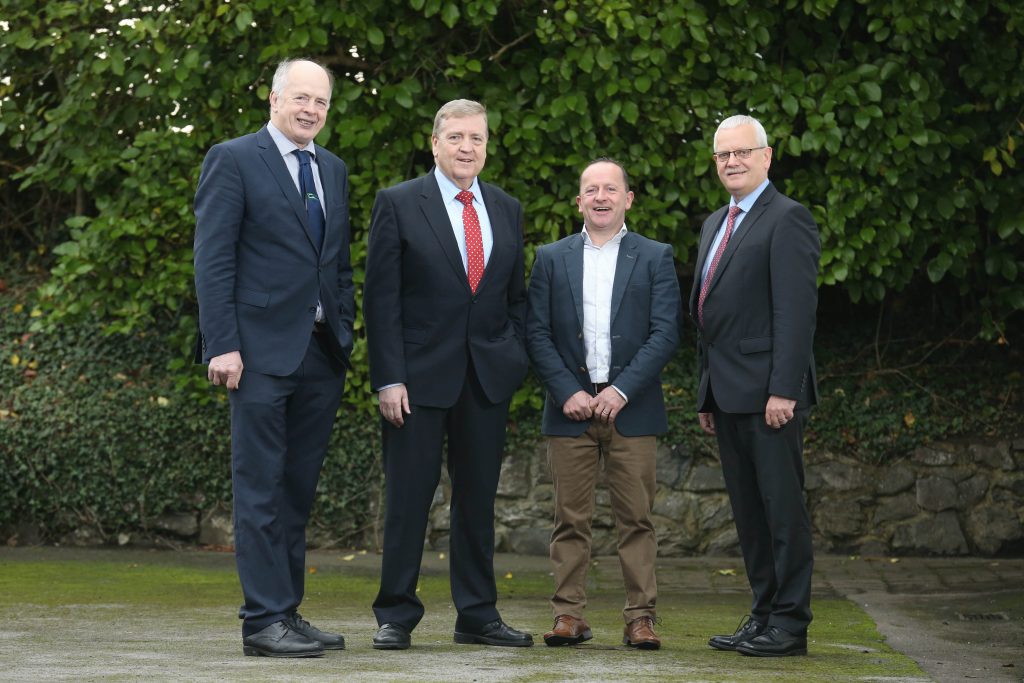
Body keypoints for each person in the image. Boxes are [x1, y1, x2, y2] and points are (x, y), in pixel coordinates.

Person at [193, 58, 354, 658]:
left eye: (321, 102)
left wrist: (345, 330)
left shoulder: (331, 168)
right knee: (259, 488)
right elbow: (213, 259)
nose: (311, 109)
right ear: (274, 98)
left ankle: (286, 610)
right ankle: (262, 622)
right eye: (301, 98)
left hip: (318, 353)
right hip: (256, 354)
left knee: (296, 491)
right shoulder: (233, 158)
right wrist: (223, 344)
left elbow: (334, 263)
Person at [363, 99, 533, 650]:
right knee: (409, 499)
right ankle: (395, 615)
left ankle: (478, 615)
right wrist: (389, 377)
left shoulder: (506, 208)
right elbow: (380, 300)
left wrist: (513, 356)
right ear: (434, 143)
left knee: (478, 501)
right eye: (456, 137)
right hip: (414, 381)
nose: (467, 148)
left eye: (477, 139)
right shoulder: (398, 203)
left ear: (487, 146)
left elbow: (514, 299)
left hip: (485, 380)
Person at [526, 158, 680, 650]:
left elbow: (665, 333)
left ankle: (641, 618)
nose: (600, 196)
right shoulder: (551, 257)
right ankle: (569, 616)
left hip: (630, 407)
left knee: (636, 519)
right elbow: (536, 331)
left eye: (610, 188)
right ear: (579, 201)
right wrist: (565, 389)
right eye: (590, 189)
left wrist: (621, 389)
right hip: (568, 407)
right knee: (569, 518)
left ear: (628, 198)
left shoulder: (655, 256)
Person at [690, 115, 820, 657]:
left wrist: (784, 390)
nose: (732, 162)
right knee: (749, 515)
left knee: (782, 513)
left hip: (770, 395)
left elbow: (796, 312)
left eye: (743, 152)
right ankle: (763, 612)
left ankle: (790, 624)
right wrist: (706, 392)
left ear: (767, 157)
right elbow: (709, 316)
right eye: (723, 155)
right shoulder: (716, 221)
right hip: (726, 393)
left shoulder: (788, 218)